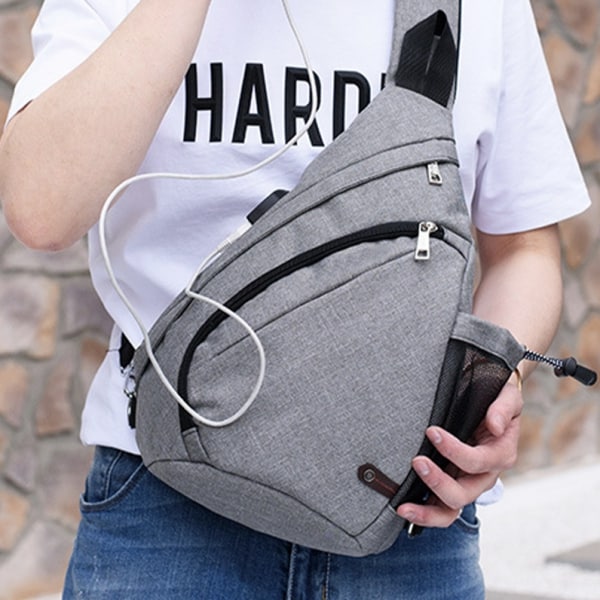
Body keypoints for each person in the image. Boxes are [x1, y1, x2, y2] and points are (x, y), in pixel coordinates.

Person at [0, 0, 590, 598]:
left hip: (407, 511)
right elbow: (43, 212)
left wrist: (487, 387)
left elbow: (524, 251)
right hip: (168, 506)